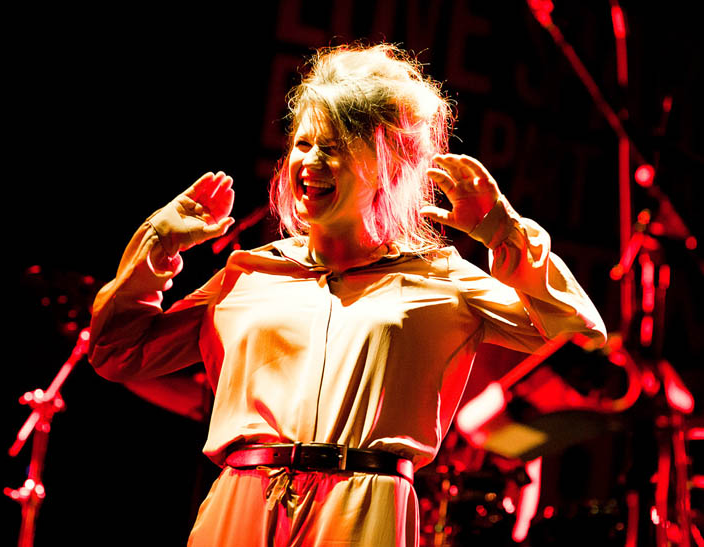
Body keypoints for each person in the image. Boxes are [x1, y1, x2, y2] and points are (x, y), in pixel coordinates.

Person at [88, 43, 607, 546]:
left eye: (333, 149)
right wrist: (157, 244)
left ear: (384, 166)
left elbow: (585, 344)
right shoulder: (248, 272)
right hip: (240, 502)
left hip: (364, 508)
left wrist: (503, 232)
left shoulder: (440, 277)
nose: (309, 163)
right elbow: (117, 352)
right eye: (303, 144)